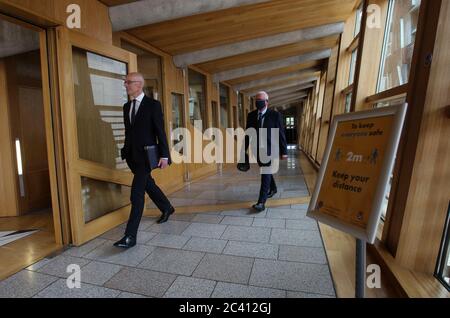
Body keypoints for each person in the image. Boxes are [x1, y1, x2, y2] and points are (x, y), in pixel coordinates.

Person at [114, 72, 175, 249]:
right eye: (125, 82)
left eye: (128, 82)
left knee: (136, 194)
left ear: (139, 84)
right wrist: (125, 151)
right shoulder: (126, 107)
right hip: (131, 156)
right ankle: (167, 207)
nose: (125, 85)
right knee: (149, 184)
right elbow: (129, 132)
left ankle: (130, 236)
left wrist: (165, 155)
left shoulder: (153, 105)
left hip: (146, 157)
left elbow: (160, 131)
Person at [244, 91, 288, 212]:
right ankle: (273, 188)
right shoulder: (251, 115)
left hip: (271, 149)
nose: (258, 102)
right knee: (266, 171)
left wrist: (284, 151)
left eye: (260, 100)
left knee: (265, 172)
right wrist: (243, 150)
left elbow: (281, 133)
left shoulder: (275, 115)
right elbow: (248, 133)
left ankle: (261, 202)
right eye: (256, 100)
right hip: (257, 149)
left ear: (267, 102)